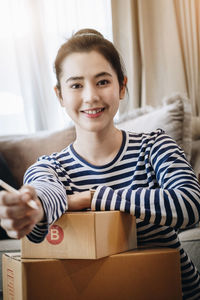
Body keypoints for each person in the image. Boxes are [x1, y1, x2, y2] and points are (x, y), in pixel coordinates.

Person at [0, 28, 200, 299]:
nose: (91, 96)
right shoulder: (49, 168)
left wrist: (95, 198)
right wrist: (33, 209)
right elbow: (43, 198)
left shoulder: (155, 146)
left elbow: (189, 204)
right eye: (76, 85)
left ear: (122, 87)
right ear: (60, 95)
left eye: (102, 81)